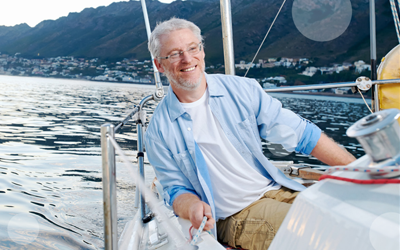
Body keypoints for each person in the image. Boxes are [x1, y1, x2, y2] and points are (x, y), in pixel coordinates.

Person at [144, 17, 355, 249]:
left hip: (279, 189)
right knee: (325, 233)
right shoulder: (158, 131)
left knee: (358, 217)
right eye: (174, 53)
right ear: (159, 65)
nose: (187, 58)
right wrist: (192, 206)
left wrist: (362, 173)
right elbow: (176, 190)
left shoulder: (242, 90)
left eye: (192, 48)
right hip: (234, 215)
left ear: (202, 51)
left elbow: (302, 134)